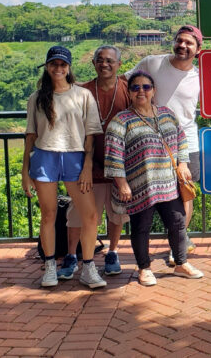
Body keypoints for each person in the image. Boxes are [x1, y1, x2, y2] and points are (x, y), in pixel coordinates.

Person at [126, 25, 211, 264]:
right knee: (149, 196)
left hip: (186, 143)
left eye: (189, 43)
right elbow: (123, 86)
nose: (183, 46)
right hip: (150, 143)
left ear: (198, 49)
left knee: (184, 195)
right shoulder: (152, 63)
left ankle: (176, 245)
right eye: (180, 40)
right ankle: (146, 253)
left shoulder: (199, 77)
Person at [104, 71, 204, 286]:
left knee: (177, 223)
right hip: (141, 185)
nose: (141, 91)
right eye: (136, 87)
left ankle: (180, 263)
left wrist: (183, 163)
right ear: (129, 93)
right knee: (142, 227)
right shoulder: (121, 120)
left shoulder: (166, 114)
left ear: (154, 91)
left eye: (146, 87)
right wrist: (122, 183)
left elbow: (181, 139)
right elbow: (113, 155)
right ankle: (144, 268)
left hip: (168, 184)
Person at [21, 46, 106, 288]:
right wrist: (24, 172)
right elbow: (30, 136)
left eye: (62, 64)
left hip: (74, 158)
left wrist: (87, 166)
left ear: (69, 68)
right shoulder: (37, 98)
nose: (58, 68)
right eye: (53, 64)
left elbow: (91, 135)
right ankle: (49, 267)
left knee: (90, 215)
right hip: (44, 157)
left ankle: (88, 268)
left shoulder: (82, 95)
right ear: (47, 66)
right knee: (48, 214)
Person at [58, 45, 130, 280]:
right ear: (94, 64)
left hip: (120, 165)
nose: (105, 64)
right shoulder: (83, 91)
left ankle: (113, 251)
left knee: (117, 213)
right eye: (100, 60)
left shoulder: (128, 89)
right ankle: (71, 255)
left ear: (119, 64)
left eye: (110, 60)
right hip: (87, 165)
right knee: (78, 213)